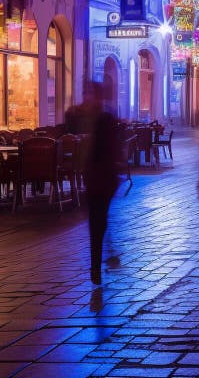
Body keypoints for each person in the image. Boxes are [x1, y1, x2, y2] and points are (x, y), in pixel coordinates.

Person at [85, 91, 120, 285]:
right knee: (99, 222)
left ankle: (97, 265)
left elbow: (105, 150)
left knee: (97, 223)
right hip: (101, 179)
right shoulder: (102, 118)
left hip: (100, 179)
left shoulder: (102, 119)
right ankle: (99, 262)